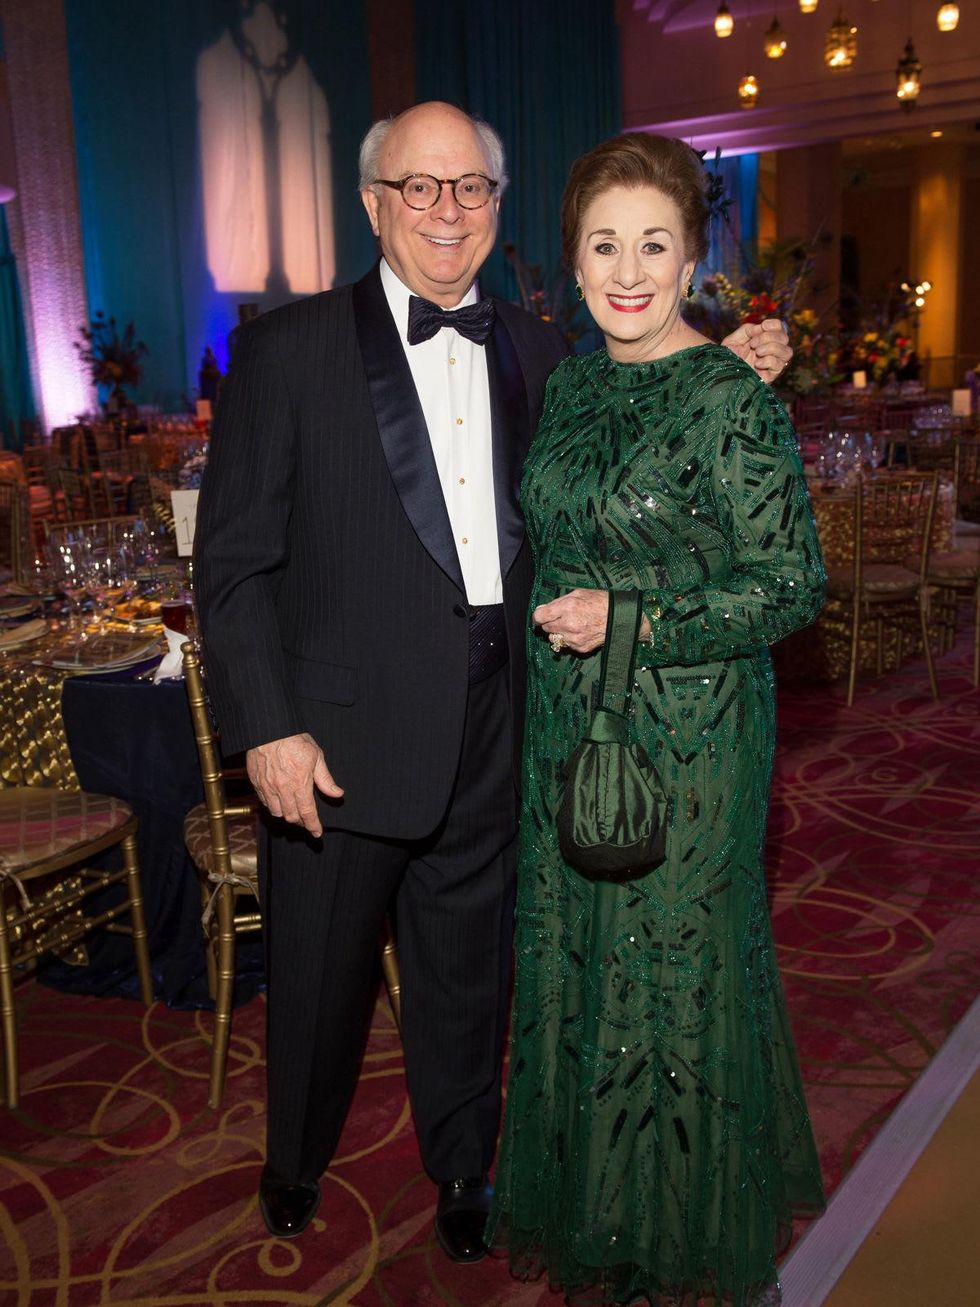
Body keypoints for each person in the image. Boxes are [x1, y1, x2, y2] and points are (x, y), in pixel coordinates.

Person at [193, 102, 794, 1264]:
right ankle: (293, 1158)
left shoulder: (533, 345)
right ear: (372, 203)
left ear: (498, 206)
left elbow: (637, 429)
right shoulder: (285, 349)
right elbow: (231, 568)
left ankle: (463, 1163)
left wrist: (735, 356)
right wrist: (265, 727)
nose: (446, 211)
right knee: (318, 975)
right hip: (338, 732)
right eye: (418, 187)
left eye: (469, 188)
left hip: (508, 715)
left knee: (466, 960)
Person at [485, 133, 826, 1305]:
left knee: (671, 982)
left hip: (691, 740)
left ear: (690, 257)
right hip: (568, 733)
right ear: (570, 260)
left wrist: (628, 617)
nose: (626, 270)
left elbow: (788, 586)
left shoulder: (731, 396)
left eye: (652, 244)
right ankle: (610, 1232)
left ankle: (694, 1240)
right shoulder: (573, 381)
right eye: (602, 244)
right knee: (582, 969)